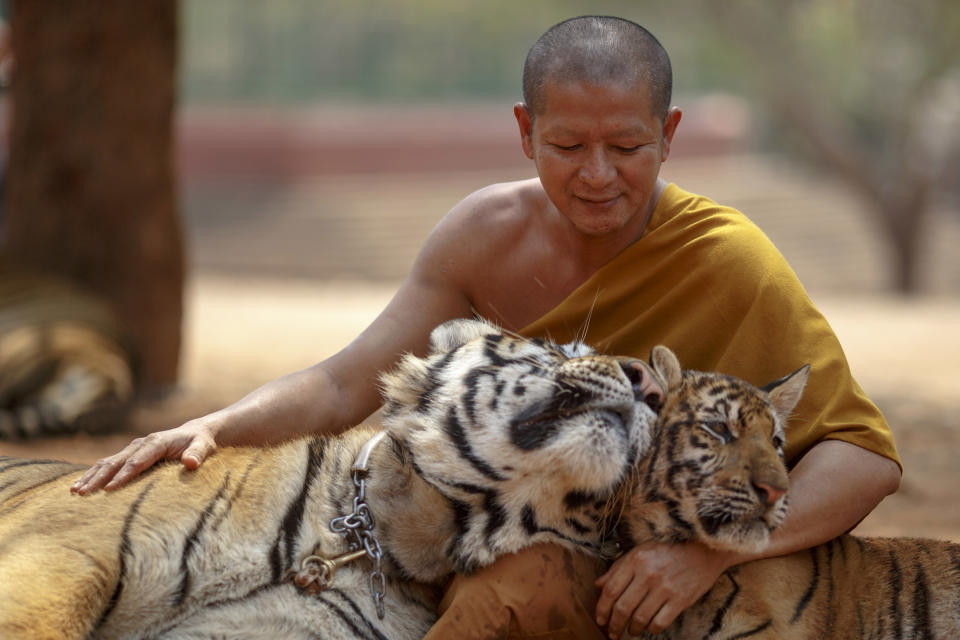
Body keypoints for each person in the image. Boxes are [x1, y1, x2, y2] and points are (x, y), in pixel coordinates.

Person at [72, 16, 901, 639]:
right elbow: (343, 380)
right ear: (524, 130)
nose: (599, 175)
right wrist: (215, 426)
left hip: (627, 550)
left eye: (628, 146)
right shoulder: (483, 234)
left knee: (507, 589)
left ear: (670, 137)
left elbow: (863, 456)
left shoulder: (730, 259)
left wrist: (715, 552)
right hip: (484, 520)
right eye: (569, 144)